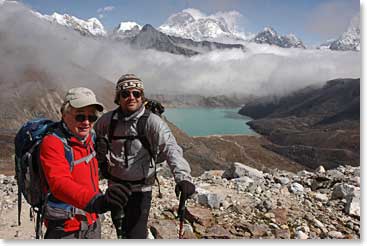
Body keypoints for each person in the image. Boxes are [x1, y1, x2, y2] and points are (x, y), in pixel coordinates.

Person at [94, 74, 196, 239]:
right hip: (115, 188)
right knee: (121, 231)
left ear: (142, 96)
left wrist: (183, 178)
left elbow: (171, 148)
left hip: (141, 190)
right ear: (118, 98)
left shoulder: (152, 122)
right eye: (125, 94)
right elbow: (91, 137)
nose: (131, 97)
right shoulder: (108, 120)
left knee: (136, 233)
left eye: (136, 93)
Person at [40, 87, 132, 239]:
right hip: (66, 227)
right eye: (80, 117)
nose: (87, 122)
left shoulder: (90, 139)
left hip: (92, 220)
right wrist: (97, 201)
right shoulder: (52, 143)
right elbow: (59, 184)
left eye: (92, 118)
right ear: (64, 114)